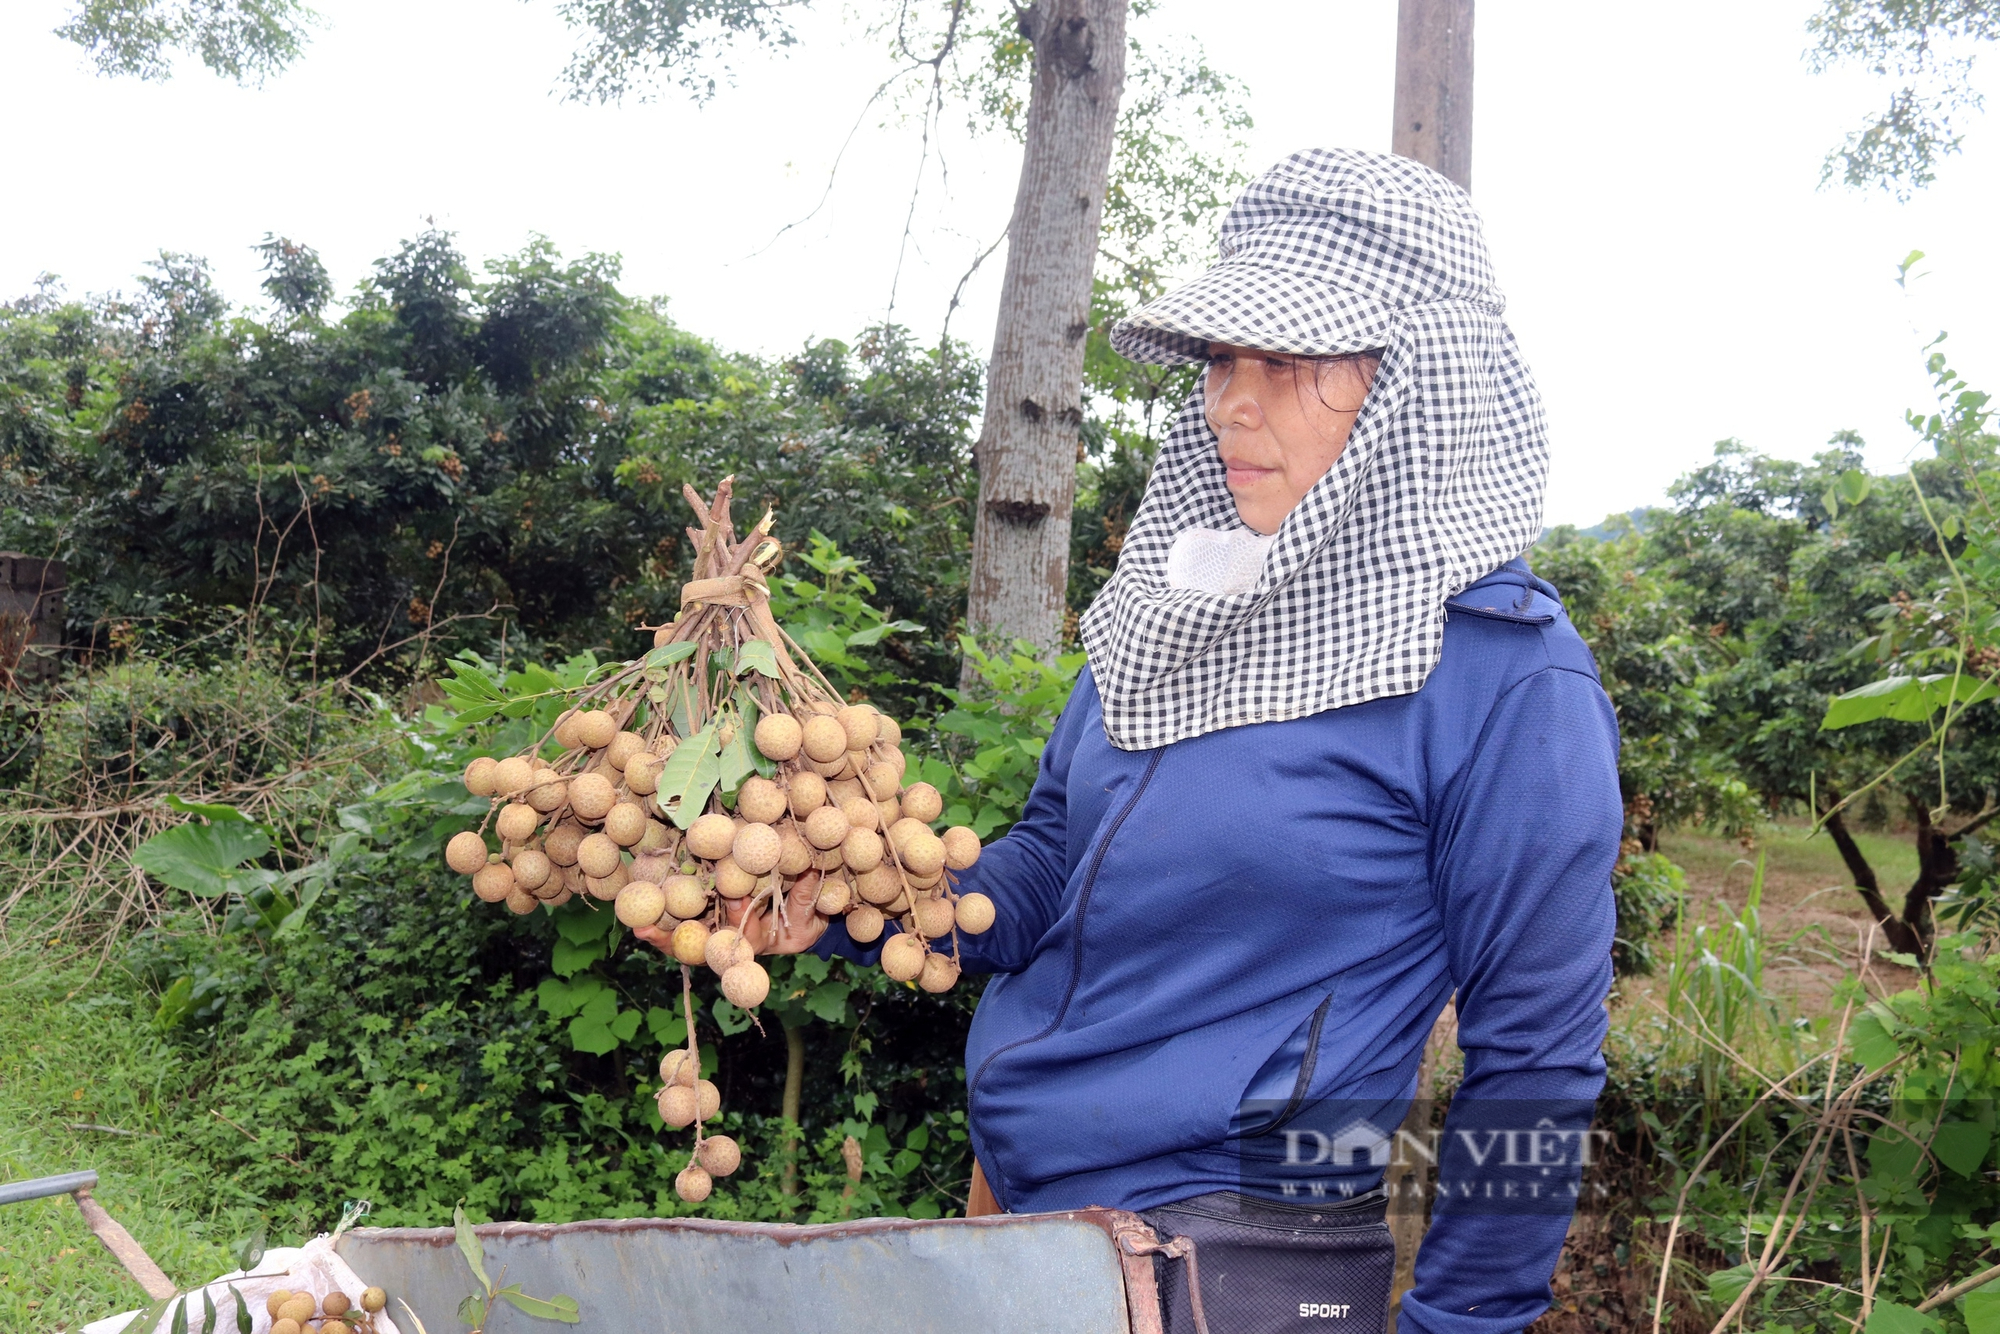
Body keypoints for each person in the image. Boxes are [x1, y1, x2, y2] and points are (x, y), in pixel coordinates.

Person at [734, 147, 1621, 1334]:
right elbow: (1049, 865)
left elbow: (1536, 1066)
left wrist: (1463, 1324)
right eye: (1220, 358)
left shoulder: (1500, 678)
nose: (1233, 401)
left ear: (1423, 386)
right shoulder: (1177, 610)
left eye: (1291, 360)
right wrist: (855, 902)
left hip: (1233, 1257)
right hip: (1022, 1212)